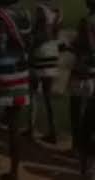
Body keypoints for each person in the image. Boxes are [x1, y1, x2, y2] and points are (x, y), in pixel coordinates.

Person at [0, 0, 32, 179]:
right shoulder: (25, 15)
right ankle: (14, 172)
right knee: (14, 127)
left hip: (1, 75)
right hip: (21, 74)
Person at [23, 0, 63, 144]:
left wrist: (29, 42)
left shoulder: (40, 9)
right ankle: (53, 132)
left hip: (41, 54)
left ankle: (31, 130)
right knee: (48, 97)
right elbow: (54, 34)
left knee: (33, 94)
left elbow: (41, 34)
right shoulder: (57, 12)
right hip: (52, 53)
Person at [69, 0, 95, 176]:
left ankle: (78, 148)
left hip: (83, 73)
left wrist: (71, 46)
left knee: (78, 112)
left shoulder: (86, 22)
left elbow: (83, 46)